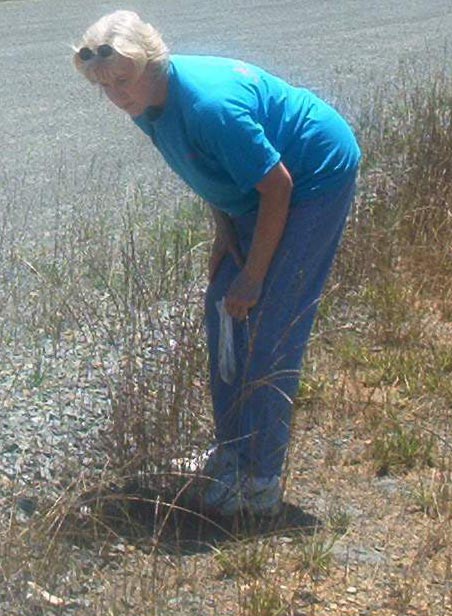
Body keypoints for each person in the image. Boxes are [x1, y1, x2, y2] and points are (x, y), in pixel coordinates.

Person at [73, 10, 361, 516]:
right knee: (224, 308)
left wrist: (253, 274)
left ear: (151, 60)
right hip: (258, 192)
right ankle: (231, 453)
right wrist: (225, 236)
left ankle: (261, 481)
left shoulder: (209, 106)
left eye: (122, 79)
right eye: (104, 86)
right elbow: (202, 167)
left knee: (270, 322)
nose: (116, 95)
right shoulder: (146, 102)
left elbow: (278, 186)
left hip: (314, 176)